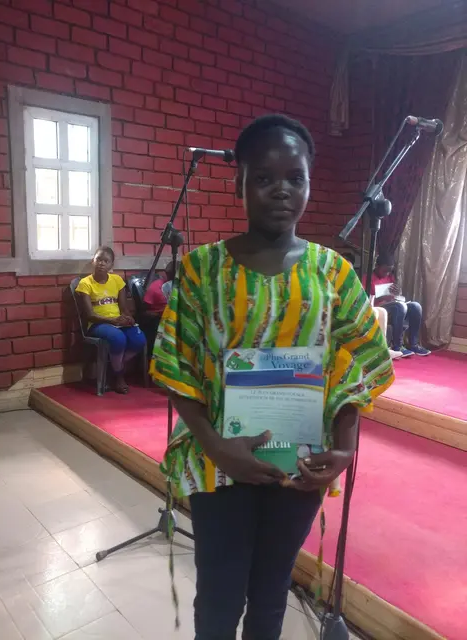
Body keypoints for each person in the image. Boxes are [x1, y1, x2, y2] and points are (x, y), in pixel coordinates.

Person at [150, 115, 394, 640]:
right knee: (219, 594)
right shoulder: (201, 270)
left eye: (295, 177)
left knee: (271, 591)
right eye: (263, 177)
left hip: (300, 464)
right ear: (239, 182)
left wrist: (345, 448)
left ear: (309, 182)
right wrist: (217, 447)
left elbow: (357, 364)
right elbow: (176, 366)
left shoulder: (333, 272)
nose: (281, 190)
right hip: (218, 461)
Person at [76, 246, 147, 394]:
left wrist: (128, 318)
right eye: (98, 259)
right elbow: (89, 315)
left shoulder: (117, 280)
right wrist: (112, 321)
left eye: (106, 261)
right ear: (93, 261)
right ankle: (119, 376)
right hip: (98, 324)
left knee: (139, 339)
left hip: (117, 322)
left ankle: (113, 367)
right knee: (118, 339)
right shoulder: (85, 283)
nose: (101, 263)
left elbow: (124, 308)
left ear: (111, 265)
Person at [368, 253, 431, 357]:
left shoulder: (390, 277)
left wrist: (397, 293)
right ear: (377, 266)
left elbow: (393, 295)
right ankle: (397, 346)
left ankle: (413, 344)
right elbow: (366, 301)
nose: (387, 273)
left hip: (392, 305)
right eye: (385, 270)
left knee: (416, 306)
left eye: (390, 271)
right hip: (378, 307)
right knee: (400, 306)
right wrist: (382, 298)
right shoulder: (368, 278)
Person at [140, 261, 175, 360]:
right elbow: (143, 311)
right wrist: (157, 314)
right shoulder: (156, 287)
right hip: (158, 319)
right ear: (167, 274)